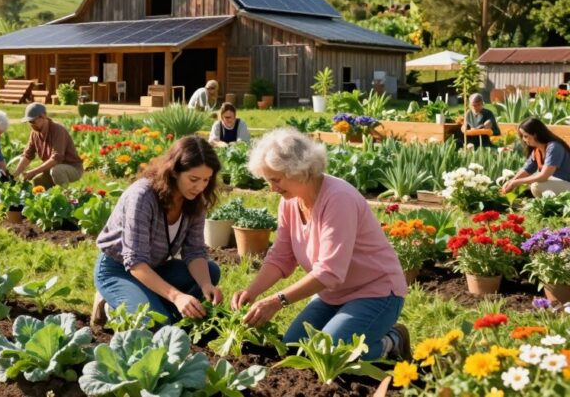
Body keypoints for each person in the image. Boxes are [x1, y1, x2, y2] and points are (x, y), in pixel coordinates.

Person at [231, 127, 410, 361]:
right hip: (331, 295)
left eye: (275, 180)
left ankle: (393, 341)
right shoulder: (290, 202)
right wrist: (251, 293)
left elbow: (330, 272)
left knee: (327, 355)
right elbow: (280, 257)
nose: (272, 188)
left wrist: (278, 301)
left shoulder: (338, 198)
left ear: (299, 170)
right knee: (293, 350)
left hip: (376, 292)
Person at [93, 136, 223, 324]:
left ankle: (154, 303)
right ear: (175, 171)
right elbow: (135, 261)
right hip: (119, 269)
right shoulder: (142, 197)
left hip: (156, 268)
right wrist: (177, 296)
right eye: (194, 179)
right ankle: (110, 306)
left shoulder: (195, 201)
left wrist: (206, 285)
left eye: (206, 180)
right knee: (157, 324)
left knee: (210, 272)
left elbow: (194, 250)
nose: (200, 187)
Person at [11, 103, 83, 188]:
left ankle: (65, 197)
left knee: (57, 171)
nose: (31, 125)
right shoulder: (35, 133)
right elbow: (27, 155)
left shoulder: (58, 130)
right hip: (51, 169)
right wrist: (15, 175)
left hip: (73, 168)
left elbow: (56, 158)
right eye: (29, 122)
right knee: (37, 181)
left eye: (33, 121)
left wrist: (34, 171)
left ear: (44, 116)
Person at [500, 117, 570, 198]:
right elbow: (526, 170)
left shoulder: (554, 147)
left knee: (536, 185)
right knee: (528, 184)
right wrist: (511, 182)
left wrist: (517, 182)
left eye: (525, 136)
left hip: (567, 183)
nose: (524, 139)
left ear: (535, 134)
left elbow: (544, 176)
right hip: (559, 185)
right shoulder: (537, 150)